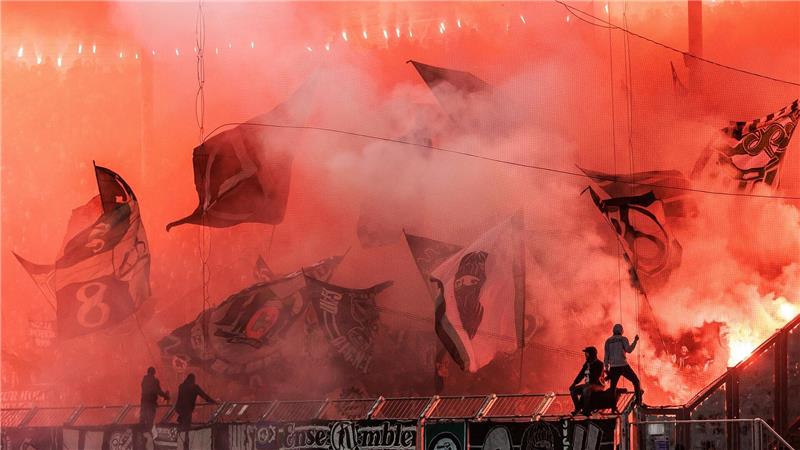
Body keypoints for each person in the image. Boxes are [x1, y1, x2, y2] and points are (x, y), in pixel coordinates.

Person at [604, 323, 643, 406]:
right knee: (636, 381)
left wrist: (607, 369)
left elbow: (606, 356)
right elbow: (629, 350)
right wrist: (635, 341)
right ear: (621, 331)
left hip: (613, 367)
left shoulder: (608, 341)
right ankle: (638, 401)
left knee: (612, 388)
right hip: (623, 366)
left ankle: (613, 407)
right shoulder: (623, 339)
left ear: (613, 331)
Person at [569, 346, 604, 416]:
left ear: (591, 354)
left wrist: (587, 384)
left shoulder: (599, 364)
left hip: (598, 385)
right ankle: (578, 408)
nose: (585, 355)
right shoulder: (587, 364)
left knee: (586, 389)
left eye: (587, 353)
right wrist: (574, 383)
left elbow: (596, 378)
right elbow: (581, 374)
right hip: (588, 385)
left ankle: (587, 410)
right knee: (573, 390)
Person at [140, 367, 169, 432]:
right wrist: (165, 396)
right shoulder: (155, 381)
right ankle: (148, 432)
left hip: (144, 403)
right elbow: (158, 391)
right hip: (151, 403)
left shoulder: (144, 380)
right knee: (150, 420)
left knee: (142, 419)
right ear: (154, 372)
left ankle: (141, 434)